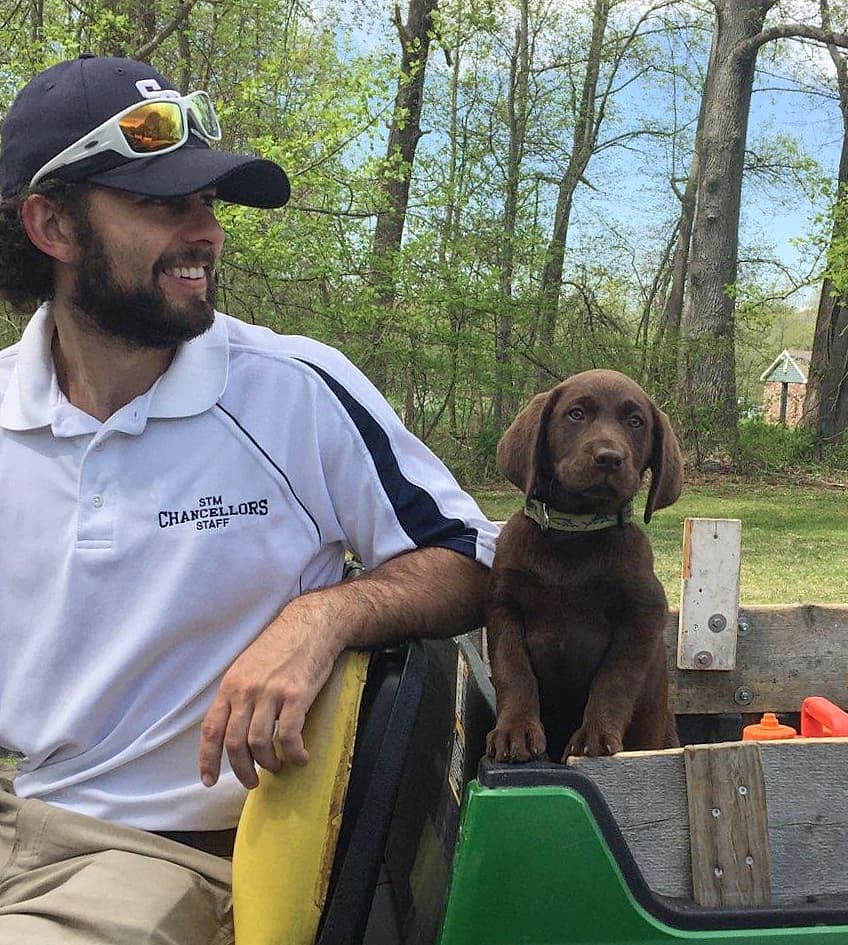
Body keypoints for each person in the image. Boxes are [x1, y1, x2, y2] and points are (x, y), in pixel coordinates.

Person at [0, 55, 497, 944]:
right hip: (20, 815)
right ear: (51, 225)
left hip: (166, 862)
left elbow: (470, 558)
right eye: (162, 203)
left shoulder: (291, 390)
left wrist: (324, 614)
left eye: (209, 204)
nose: (205, 233)